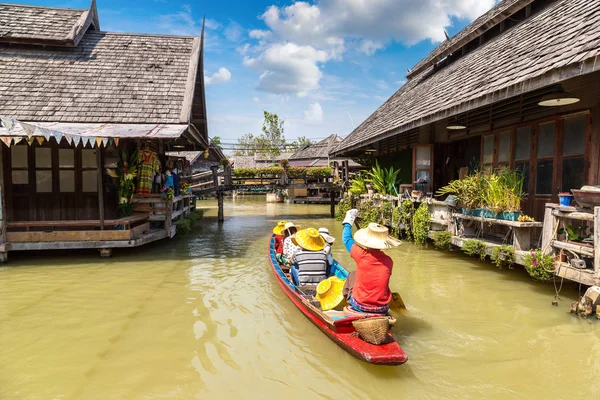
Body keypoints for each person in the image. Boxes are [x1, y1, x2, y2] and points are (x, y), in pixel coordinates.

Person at [342, 209, 401, 314]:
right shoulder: (389, 261)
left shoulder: (361, 255)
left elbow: (346, 238)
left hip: (360, 305)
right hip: (382, 308)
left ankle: (350, 305)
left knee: (352, 275)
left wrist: (348, 221)